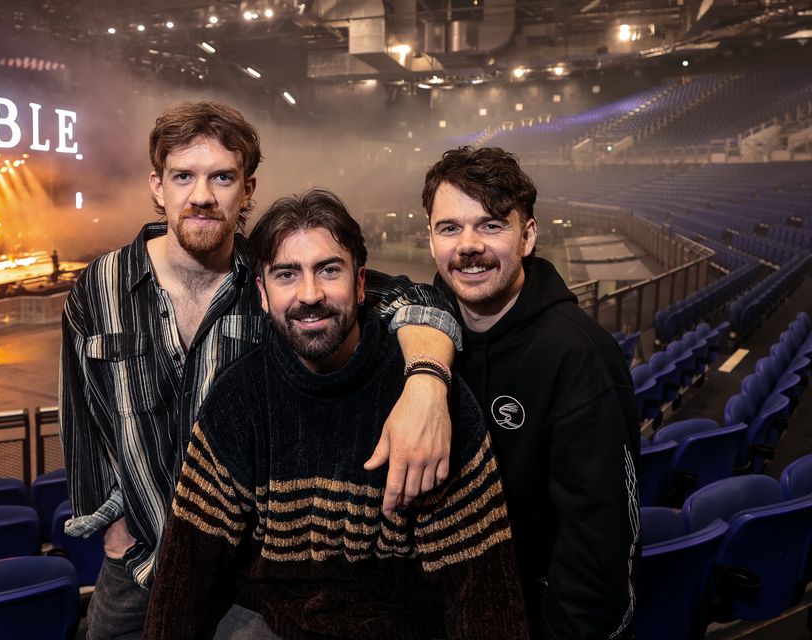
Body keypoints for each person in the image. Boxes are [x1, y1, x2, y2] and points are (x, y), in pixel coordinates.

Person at [59, 101, 461, 639]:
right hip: (135, 567)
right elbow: (82, 423)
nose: (202, 194)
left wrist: (428, 386)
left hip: (244, 578)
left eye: (222, 176)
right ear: (158, 186)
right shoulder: (97, 289)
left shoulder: (278, 284)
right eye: (184, 176)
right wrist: (114, 533)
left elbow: (415, 300)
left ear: (247, 189)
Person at [144, 189, 528, 640]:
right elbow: (184, 576)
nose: (310, 294)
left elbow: (481, 595)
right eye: (287, 274)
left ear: (361, 284)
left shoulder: (433, 404)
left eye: (329, 270)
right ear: (263, 296)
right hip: (272, 625)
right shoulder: (239, 397)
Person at [421, 146, 640, 639]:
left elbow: (599, 548)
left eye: (492, 225)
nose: (468, 245)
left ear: (528, 236)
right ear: (430, 239)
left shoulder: (578, 355)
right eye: (449, 227)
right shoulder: (424, 329)